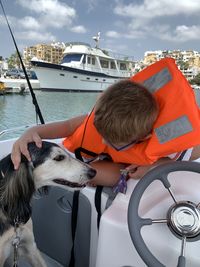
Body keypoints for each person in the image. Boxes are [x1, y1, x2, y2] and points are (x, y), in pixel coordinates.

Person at [11, 58, 200, 187]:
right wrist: (33, 131)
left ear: (144, 137)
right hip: (79, 153)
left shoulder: (168, 136)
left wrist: (153, 167)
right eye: (101, 134)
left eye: (112, 142)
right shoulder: (102, 119)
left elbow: (192, 151)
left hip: (121, 166)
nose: (103, 143)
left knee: (119, 173)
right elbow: (67, 126)